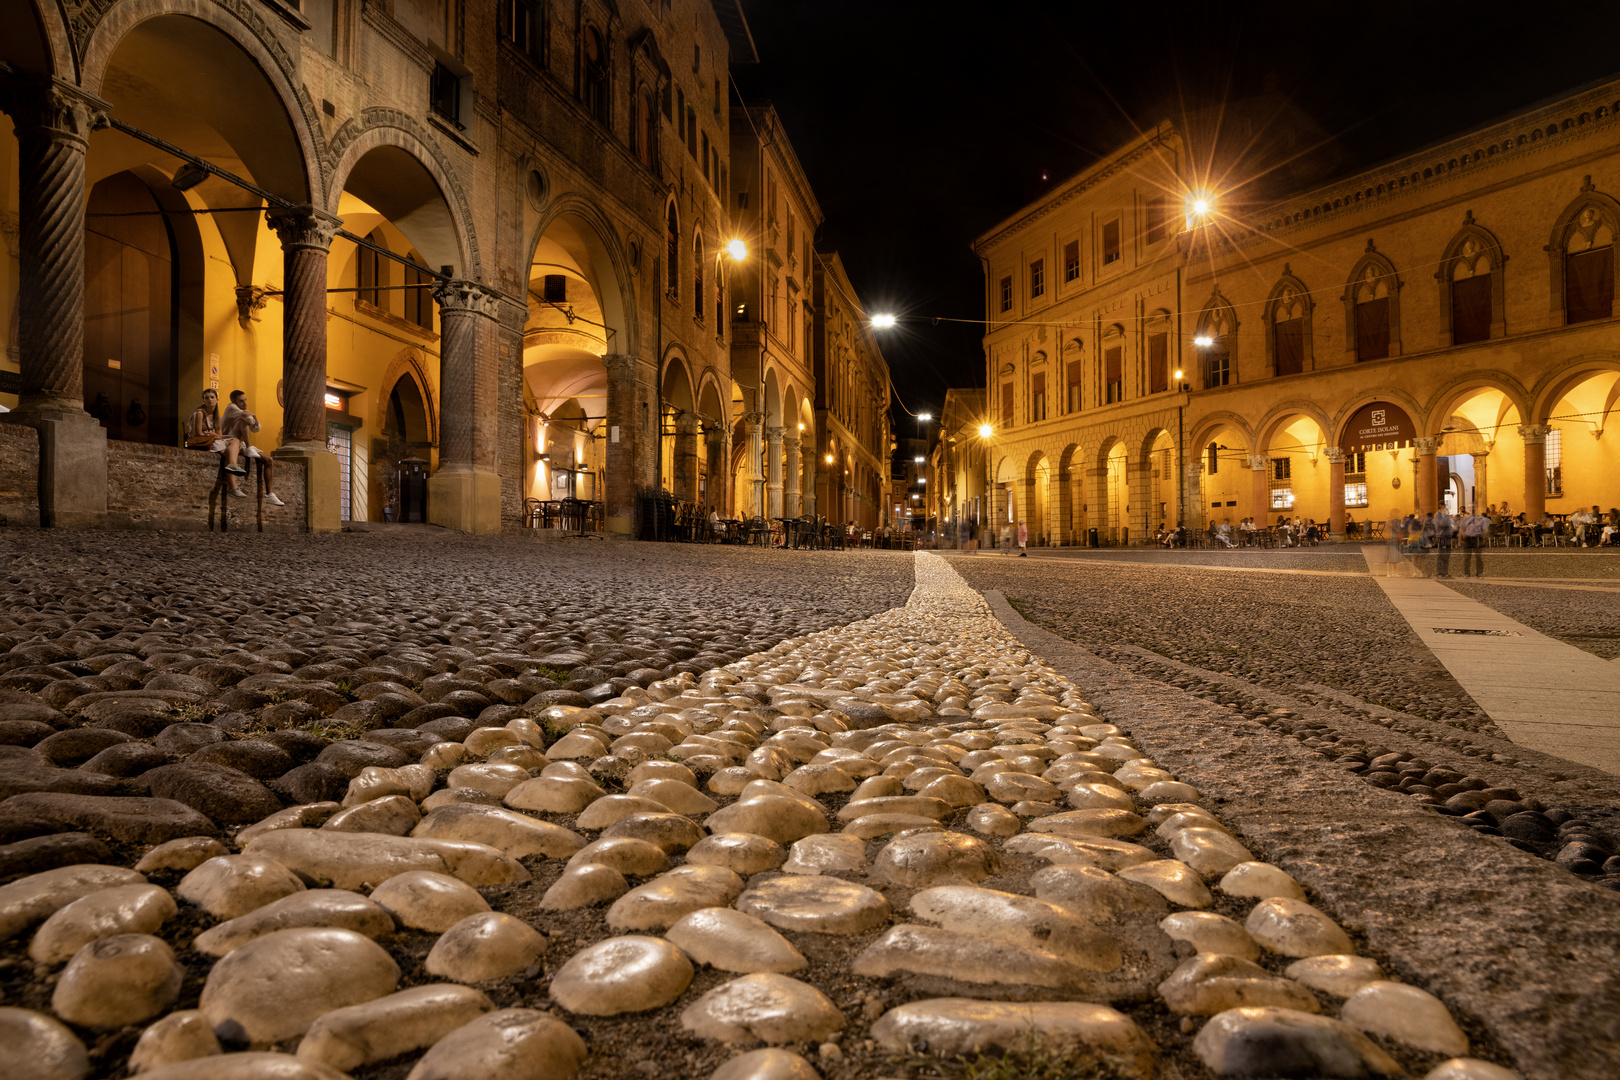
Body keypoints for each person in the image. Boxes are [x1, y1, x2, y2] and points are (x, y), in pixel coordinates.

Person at [221, 390, 284, 506]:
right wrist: (252, 416)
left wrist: (253, 416)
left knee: (269, 460)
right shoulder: (231, 408)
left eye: (245, 400)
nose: (245, 403)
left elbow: (256, 429)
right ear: (234, 401)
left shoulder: (242, 412)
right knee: (243, 419)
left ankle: (270, 494)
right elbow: (249, 420)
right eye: (241, 401)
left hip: (240, 444)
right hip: (228, 441)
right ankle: (249, 447)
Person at [185, 389, 245, 495]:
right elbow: (197, 434)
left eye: (212, 397)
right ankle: (233, 486)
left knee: (234, 440)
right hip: (202, 442)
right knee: (229, 453)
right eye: (206, 398)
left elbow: (219, 435)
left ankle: (232, 469)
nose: (210, 400)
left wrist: (227, 436)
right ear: (203, 400)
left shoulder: (216, 415)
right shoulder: (199, 413)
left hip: (213, 440)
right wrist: (211, 434)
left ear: (217, 399)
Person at [1460, 507, 1488, 577]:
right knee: (1467, 557)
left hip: (1477, 538)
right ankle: (1467, 573)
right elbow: (1461, 528)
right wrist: (1463, 536)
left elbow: (1484, 529)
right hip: (1468, 538)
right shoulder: (1465, 518)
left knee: (1478, 557)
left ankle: (1479, 573)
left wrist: (1484, 538)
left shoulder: (1481, 519)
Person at [1433, 507, 1455, 577]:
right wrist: (1445, 515)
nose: (1447, 511)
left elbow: (1449, 525)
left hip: (1447, 537)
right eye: (1446, 510)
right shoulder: (1438, 515)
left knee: (1446, 556)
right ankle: (1440, 572)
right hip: (1442, 537)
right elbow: (1443, 524)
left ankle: (1445, 571)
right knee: (1442, 555)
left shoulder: (1445, 517)